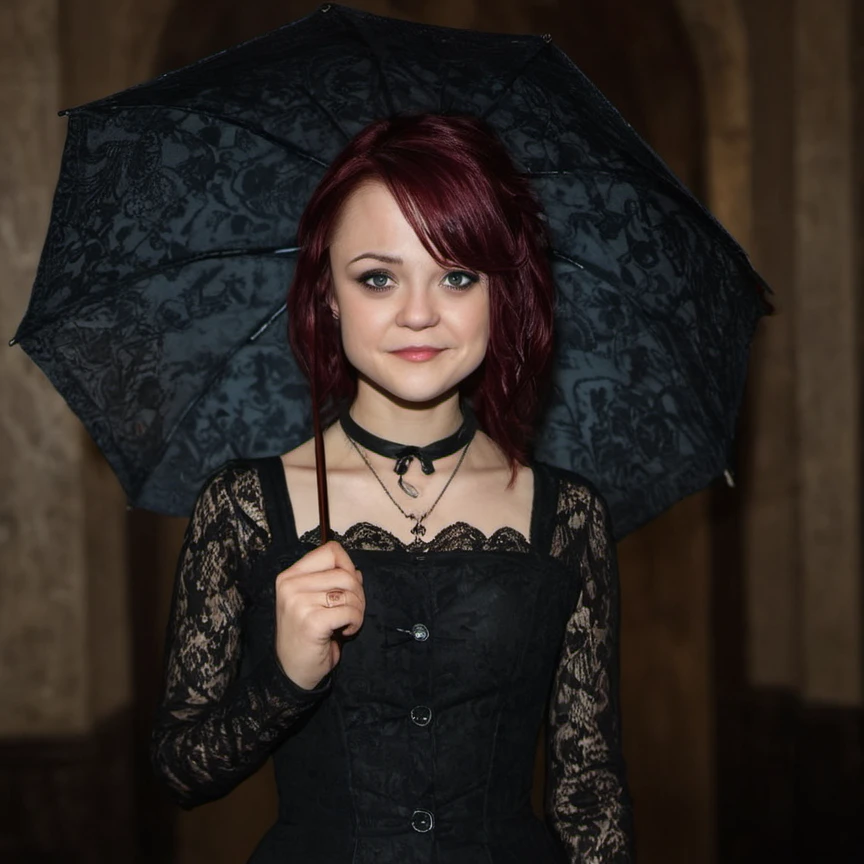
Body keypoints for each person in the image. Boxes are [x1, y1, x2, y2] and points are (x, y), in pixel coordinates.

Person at [151, 113, 633, 863]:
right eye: (378, 276)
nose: (418, 312)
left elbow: (588, 789)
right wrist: (286, 676)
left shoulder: (567, 515)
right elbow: (182, 771)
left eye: (457, 275)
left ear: (499, 295)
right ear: (329, 295)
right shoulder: (244, 507)